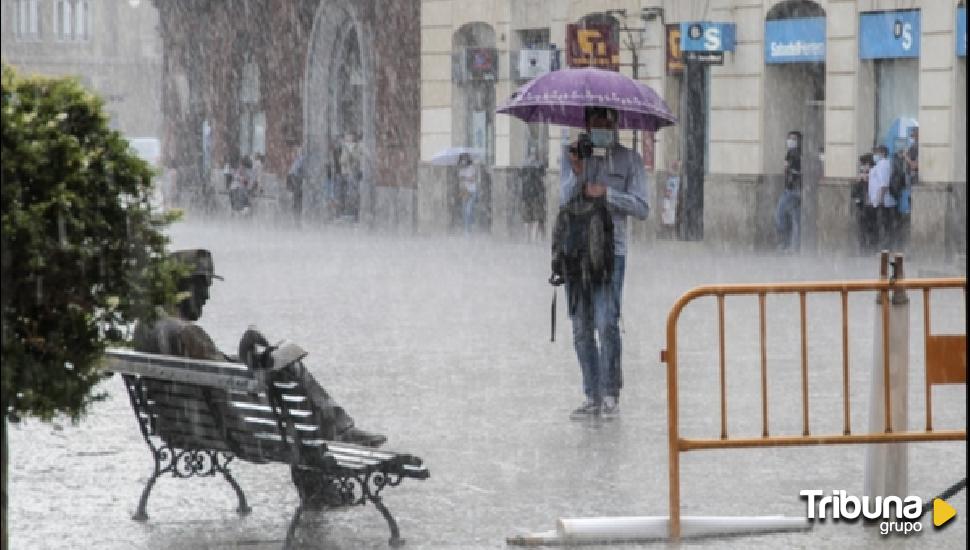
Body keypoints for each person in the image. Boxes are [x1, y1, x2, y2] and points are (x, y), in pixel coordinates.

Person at [133, 249, 386, 506]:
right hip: (235, 433)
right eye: (203, 287)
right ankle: (338, 439)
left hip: (180, 426)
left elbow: (217, 371)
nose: (207, 297)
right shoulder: (187, 333)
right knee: (289, 378)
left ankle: (330, 456)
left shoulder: (145, 327)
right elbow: (236, 381)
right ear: (184, 286)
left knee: (292, 405)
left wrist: (248, 359)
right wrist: (255, 357)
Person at [561, 106, 648, 419]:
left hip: (612, 254)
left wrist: (608, 193)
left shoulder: (630, 160)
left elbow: (642, 207)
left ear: (615, 124)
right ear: (585, 124)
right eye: (595, 123)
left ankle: (611, 393)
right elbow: (564, 199)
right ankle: (592, 395)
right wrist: (578, 172)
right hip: (576, 253)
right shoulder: (572, 156)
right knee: (582, 329)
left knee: (606, 322)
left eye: (606, 123)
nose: (601, 128)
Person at [775, 131, 802, 252]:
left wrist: (791, 170)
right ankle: (794, 246)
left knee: (780, 214)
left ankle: (785, 244)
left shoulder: (795, 154)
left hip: (792, 190)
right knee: (795, 219)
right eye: (789, 138)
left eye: (794, 139)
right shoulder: (791, 153)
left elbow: (796, 171)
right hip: (793, 189)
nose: (791, 141)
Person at [868, 144, 896, 250]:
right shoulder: (879, 164)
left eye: (876, 153)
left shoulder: (883, 164)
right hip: (879, 201)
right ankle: (883, 247)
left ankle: (884, 248)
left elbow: (883, 184)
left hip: (883, 202)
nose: (875, 155)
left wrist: (880, 200)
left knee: (883, 225)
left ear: (883, 153)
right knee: (881, 225)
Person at [521, 145, 546, 241]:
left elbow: (521, 176)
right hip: (535, 194)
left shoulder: (524, 164)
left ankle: (528, 239)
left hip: (527, 194)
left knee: (527, 218)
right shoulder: (539, 165)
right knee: (536, 217)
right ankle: (534, 239)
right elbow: (542, 176)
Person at [852, 153, 876, 253]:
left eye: (863, 164)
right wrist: (859, 181)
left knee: (870, 226)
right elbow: (855, 192)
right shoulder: (861, 175)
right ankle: (863, 247)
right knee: (862, 226)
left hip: (870, 204)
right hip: (862, 204)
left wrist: (867, 179)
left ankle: (869, 247)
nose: (862, 167)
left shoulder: (874, 173)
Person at [457, 153, 479, 234]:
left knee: (469, 210)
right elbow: (461, 181)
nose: (463, 161)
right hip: (465, 192)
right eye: (462, 159)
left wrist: (465, 178)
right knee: (465, 212)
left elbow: (473, 178)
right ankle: (467, 230)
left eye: (465, 159)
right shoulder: (461, 170)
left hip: (473, 192)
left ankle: (472, 225)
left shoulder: (471, 168)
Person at [287, 147, 305, 226]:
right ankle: (296, 219)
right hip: (295, 180)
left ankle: (297, 220)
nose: (296, 153)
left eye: (298, 151)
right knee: (297, 200)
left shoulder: (301, 159)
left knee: (297, 200)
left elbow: (294, 171)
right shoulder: (298, 160)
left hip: (296, 180)